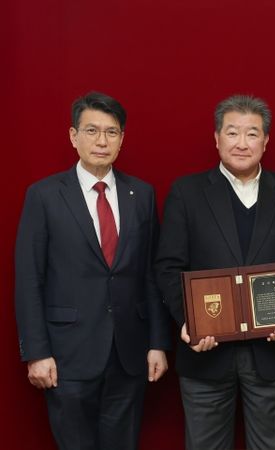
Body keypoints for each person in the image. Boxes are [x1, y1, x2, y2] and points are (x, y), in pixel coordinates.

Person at [14, 91, 171, 449]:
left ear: (122, 139)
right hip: (66, 356)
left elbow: (150, 273)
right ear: (73, 136)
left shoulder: (142, 194)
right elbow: (29, 279)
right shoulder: (44, 196)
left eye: (111, 132)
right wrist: (37, 353)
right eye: (91, 131)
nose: (102, 141)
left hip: (129, 355)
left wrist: (158, 344)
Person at [154, 94, 275, 450]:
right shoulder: (186, 193)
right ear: (216, 138)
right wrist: (189, 321)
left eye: (252, 134)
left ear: (266, 141)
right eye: (233, 132)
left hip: (271, 353)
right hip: (205, 355)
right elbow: (168, 266)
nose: (242, 143)